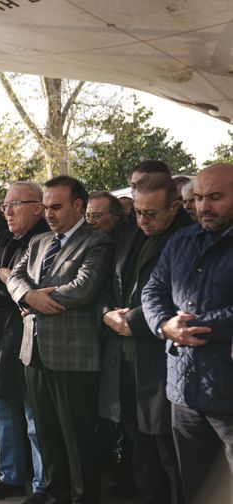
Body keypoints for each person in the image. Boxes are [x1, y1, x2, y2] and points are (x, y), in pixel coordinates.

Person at [7, 176, 114, 504]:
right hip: (34, 351)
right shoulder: (38, 241)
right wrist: (27, 296)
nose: (49, 214)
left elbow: (84, 287)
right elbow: (14, 275)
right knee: (46, 433)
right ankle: (54, 494)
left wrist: (34, 300)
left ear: (78, 206)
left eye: (56, 207)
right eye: (46, 207)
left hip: (73, 355)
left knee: (78, 438)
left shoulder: (97, 241)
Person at [143, 163, 233, 504]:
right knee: (197, 491)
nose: (203, 207)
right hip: (184, 392)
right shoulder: (182, 240)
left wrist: (191, 326)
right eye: (197, 198)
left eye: (215, 197)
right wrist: (165, 325)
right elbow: (153, 291)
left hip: (228, 393)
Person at [98, 173, 190, 504]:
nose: (143, 220)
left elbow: (179, 297)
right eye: (137, 212)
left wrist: (133, 321)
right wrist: (107, 312)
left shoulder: (186, 239)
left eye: (150, 213)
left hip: (162, 359)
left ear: (175, 207)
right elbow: (109, 281)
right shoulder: (129, 235)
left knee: (166, 451)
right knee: (137, 445)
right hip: (123, 356)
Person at [0, 182, 49, 503]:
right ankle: (11, 477)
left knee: (34, 417)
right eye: (5, 205)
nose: (8, 211)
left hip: (28, 338)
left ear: (38, 207)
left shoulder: (44, 241)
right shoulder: (0, 239)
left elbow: (29, 288)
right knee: (2, 412)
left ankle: (42, 485)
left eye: (16, 204)